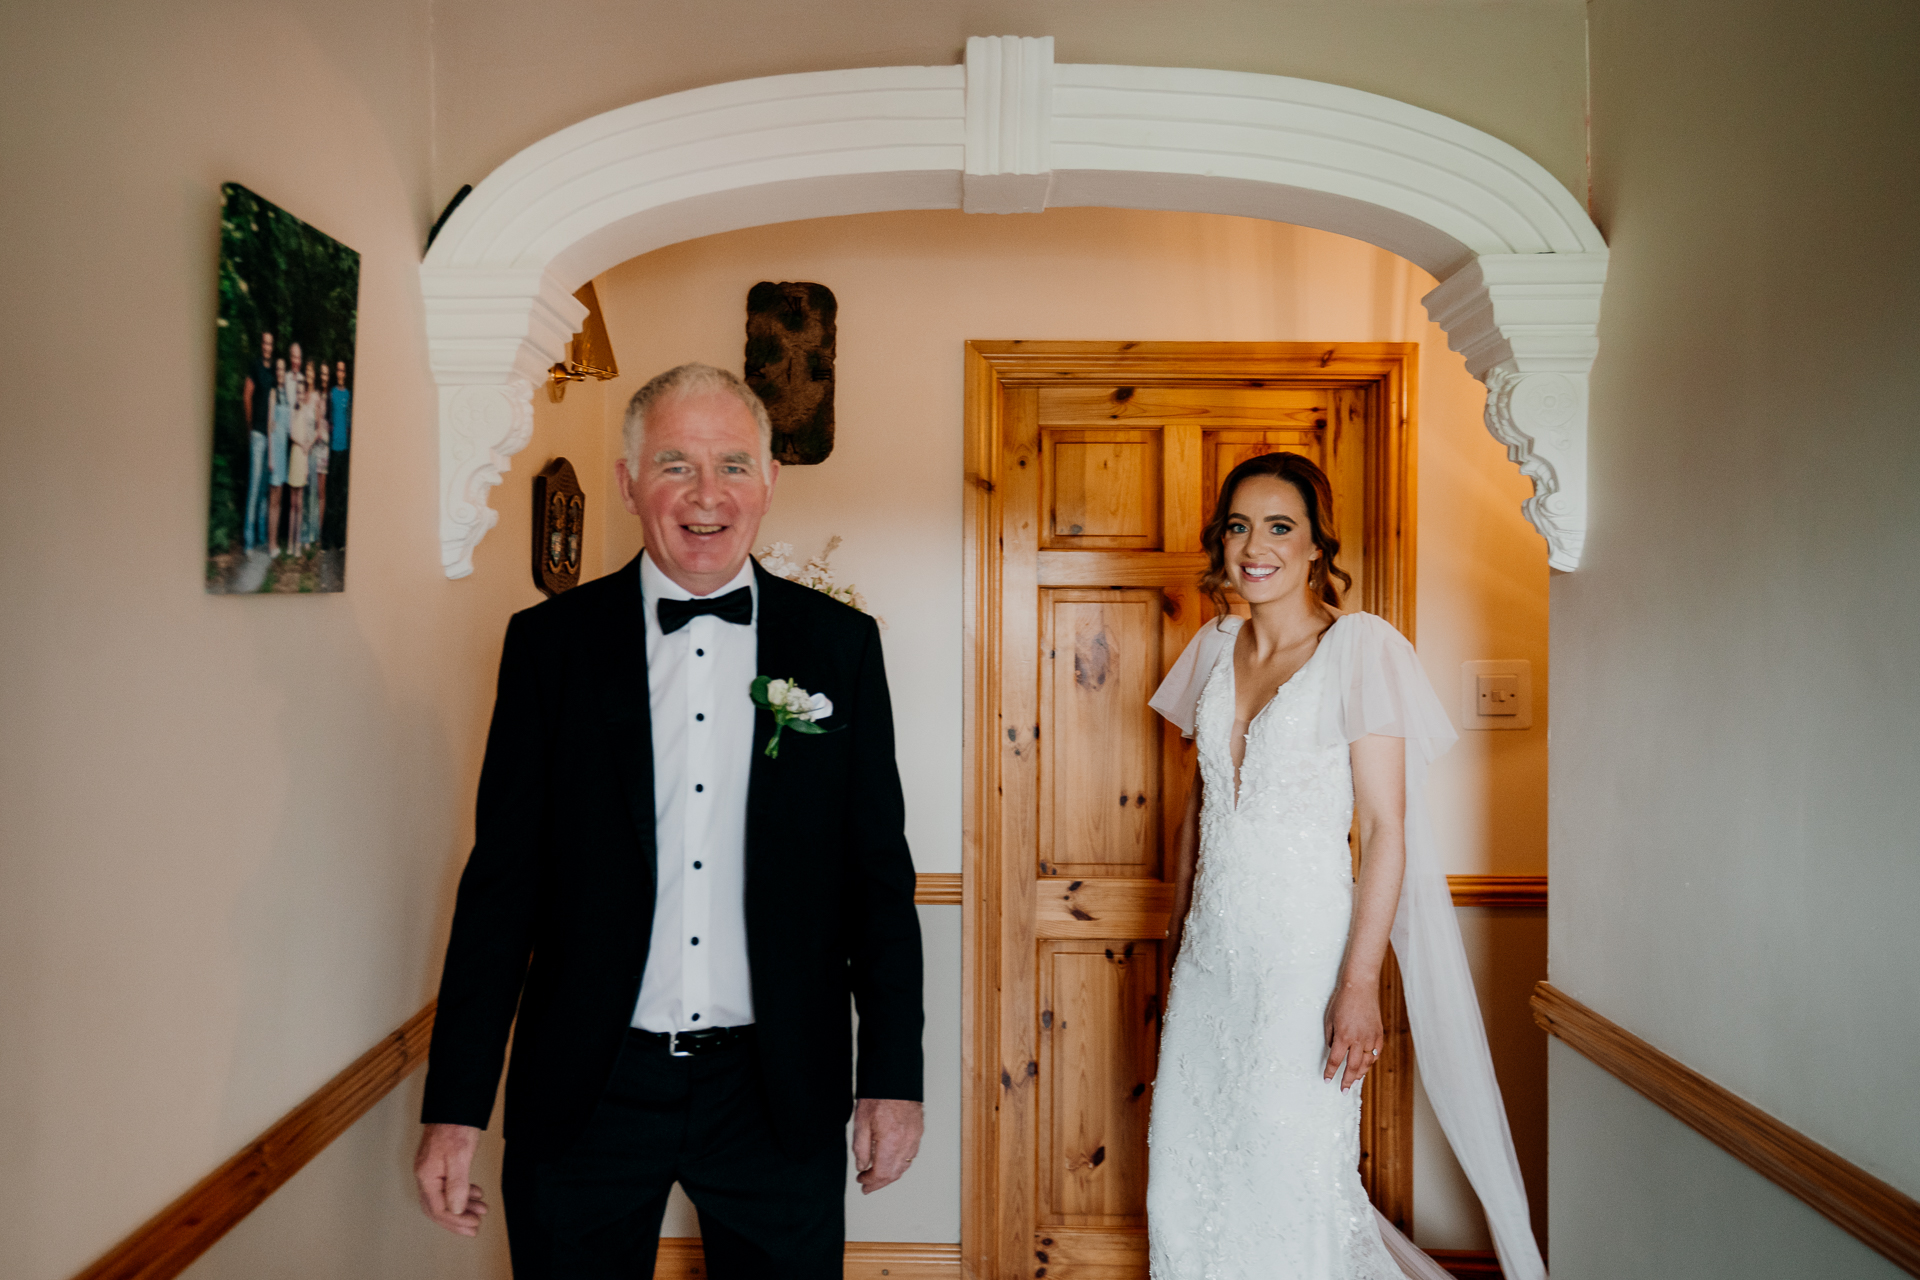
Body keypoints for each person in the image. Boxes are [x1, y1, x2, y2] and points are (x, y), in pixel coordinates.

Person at [414, 363, 925, 1279]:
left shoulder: (840, 648)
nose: (706, 495)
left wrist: (892, 1083)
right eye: (674, 464)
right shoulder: (549, 648)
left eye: (733, 465)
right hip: (587, 1086)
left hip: (778, 1088)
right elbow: (502, 889)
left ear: (769, 483)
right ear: (627, 481)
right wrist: (455, 1106)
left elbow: (876, 885)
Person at [1145, 452, 1546, 1280]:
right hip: (1212, 958)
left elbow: (1384, 827)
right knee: (1186, 1171)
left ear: (1318, 545)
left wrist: (1358, 983)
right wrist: (1180, 938)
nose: (1255, 546)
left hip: (1306, 957)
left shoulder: (1359, 649)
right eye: (1238, 526)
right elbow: (1201, 808)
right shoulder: (1214, 648)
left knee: (1290, 1171)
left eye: (1280, 526)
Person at [241, 331, 275, 550]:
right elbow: (246, 395)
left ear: (272, 347)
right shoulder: (255, 366)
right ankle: (248, 539)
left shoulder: (273, 371)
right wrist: (250, 427)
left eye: (270, 344)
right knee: (254, 488)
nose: (266, 347)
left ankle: (262, 536)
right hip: (258, 436)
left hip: (270, 437)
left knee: (264, 489)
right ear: (261, 344)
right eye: (264, 343)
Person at [285, 360, 314, 553]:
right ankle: (289, 542)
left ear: (305, 395)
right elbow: (290, 433)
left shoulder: (306, 411)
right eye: (297, 392)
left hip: (303, 457)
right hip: (294, 455)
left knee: (300, 503)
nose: (300, 395)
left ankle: (297, 543)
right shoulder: (292, 411)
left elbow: (309, 435)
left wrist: (306, 444)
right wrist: (300, 443)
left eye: (302, 393)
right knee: (292, 502)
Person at [266, 353, 292, 557]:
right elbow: (269, 425)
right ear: (276, 372)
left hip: (284, 452)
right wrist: (271, 458)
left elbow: (290, 426)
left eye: (284, 369)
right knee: (273, 499)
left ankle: (274, 542)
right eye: (278, 369)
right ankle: (271, 543)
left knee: (280, 498)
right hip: (275, 450)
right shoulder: (273, 393)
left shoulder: (287, 394)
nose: (281, 372)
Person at [327, 358, 351, 548]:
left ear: (346, 373)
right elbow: (328, 422)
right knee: (331, 495)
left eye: (343, 370)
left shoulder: (349, 396)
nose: (340, 373)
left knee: (342, 497)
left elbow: (350, 424)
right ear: (336, 373)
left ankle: (340, 540)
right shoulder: (331, 394)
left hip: (345, 451)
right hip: (333, 450)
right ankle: (327, 539)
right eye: (339, 370)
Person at [310, 362, 331, 547]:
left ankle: (319, 534)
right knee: (313, 490)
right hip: (314, 447)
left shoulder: (330, 397)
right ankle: (310, 531)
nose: (324, 377)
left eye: (326, 374)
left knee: (322, 493)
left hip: (325, 449)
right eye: (321, 374)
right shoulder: (315, 396)